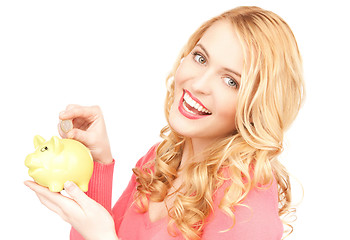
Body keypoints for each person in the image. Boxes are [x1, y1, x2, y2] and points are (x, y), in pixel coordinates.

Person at [25, 6, 304, 240]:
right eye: (200, 57)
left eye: (231, 81)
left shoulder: (245, 204)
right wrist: (98, 162)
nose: (198, 83)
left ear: (258, 107)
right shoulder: (162, 159)